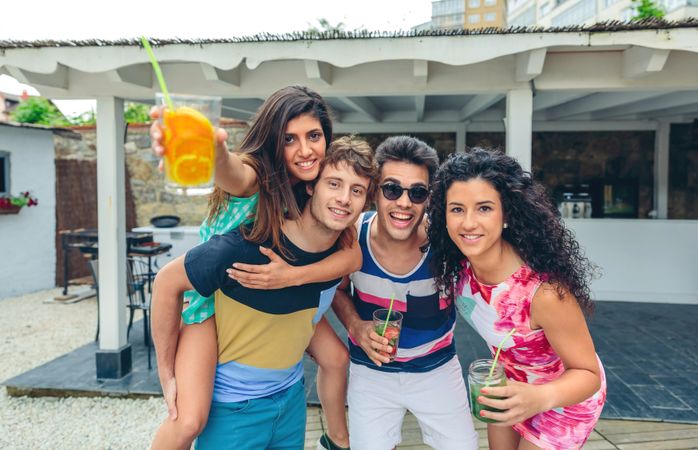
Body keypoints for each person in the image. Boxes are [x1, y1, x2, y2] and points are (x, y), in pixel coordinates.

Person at [150, 86, 355, 450]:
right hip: (214, 298)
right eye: (289, 139)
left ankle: (337, 440)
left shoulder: (321, 185)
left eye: (314, 136)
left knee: (337, 358)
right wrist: (213, 152)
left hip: (281, 299)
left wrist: (290, 276)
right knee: (188, 419)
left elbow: (352, 256)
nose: (305, 150)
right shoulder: (258, 175)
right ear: (273, 140)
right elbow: (233, 172)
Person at [426, 149, 606, 450]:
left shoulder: (544, 294)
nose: (468, 223)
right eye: (457, 209)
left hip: (563, 400)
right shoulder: (458, 265)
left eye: (484, 208)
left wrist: (539, 397)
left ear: (506, 214)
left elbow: (588, 375)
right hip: (508, 388)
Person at [330, 136, 479, 450]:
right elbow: (338, 290)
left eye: (417, 192)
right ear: (375, 192)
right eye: (392, 189)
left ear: (429, 198)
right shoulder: (351, 236)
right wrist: (356, 326)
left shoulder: (447, 241)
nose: (403, 202)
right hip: (371, 372)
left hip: (436, 369)